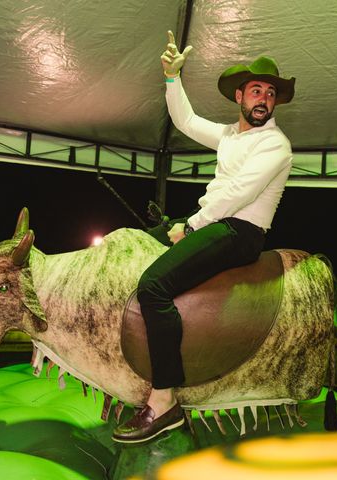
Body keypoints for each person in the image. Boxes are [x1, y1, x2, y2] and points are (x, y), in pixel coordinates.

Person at [112, 31, 296, 443]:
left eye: (270, 92)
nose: (263, 98)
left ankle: (164, 402)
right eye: (255, 90)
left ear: (275, 101)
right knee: (138, 239)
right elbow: (187, 122)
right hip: (215, 221)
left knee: (153, 287)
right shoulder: (232, 136)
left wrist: (191, 226)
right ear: (239, 97)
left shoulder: (276, 145)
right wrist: (172, 78)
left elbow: (237, 195)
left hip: (239, 231)